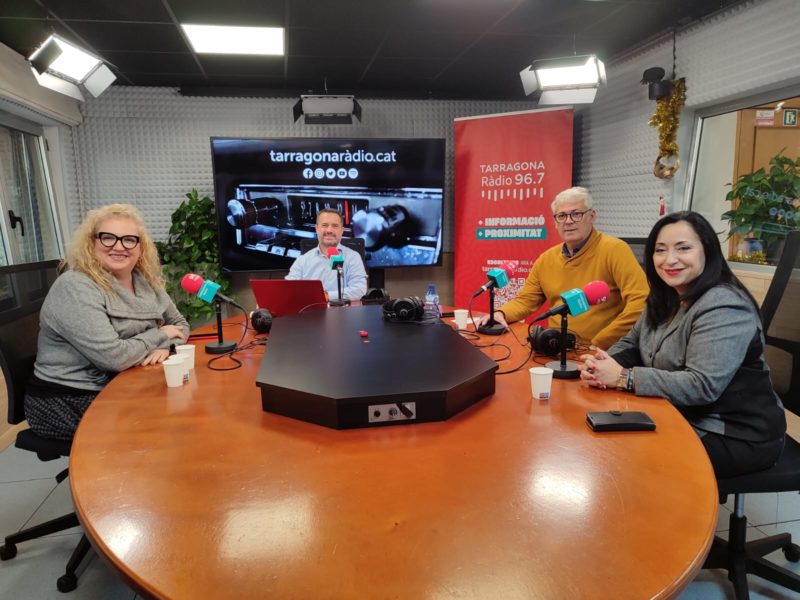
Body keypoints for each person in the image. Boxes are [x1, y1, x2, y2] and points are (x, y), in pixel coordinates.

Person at [580, 211, 786, 479]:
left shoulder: (724, 304)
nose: (670, 260)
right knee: (597, 436)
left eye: (684, 248)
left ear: (707, 251)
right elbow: (633, 343)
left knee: (627, 459)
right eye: (660, 250)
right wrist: (600, 365)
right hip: (683, 414)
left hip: (737, 432)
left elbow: (702, 385)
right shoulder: (666, 295)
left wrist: (623, 378)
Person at [24, 204, 189, 440]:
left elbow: (181, 324)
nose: (119, 247)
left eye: (129, 240)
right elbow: (114, 357)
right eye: (108, 238)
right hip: (67, 399)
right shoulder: (76, 287)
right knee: (165, 427)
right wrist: (160, 335)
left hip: (123, 385)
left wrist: (164, 346)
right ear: (92, 243)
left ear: (140, 247)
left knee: (186, 408)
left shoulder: (145, 281)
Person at [481, 186, 648, 349]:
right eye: (561, 215)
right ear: (555, 222)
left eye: (576, 214)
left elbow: (641, 302)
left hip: (601, 352)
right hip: (555, 346)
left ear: (592, 216)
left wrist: (600, 343)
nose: (568, 221)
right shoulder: (546, 259)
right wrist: (501, 313)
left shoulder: (615, 250)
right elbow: (526, 301)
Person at [286, 208, 368, 301]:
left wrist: (326, 296)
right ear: (316, 229)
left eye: (335, 226)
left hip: (343, 313)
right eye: (325, 225)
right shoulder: (302, 260)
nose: (329, 230)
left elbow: (359, 290)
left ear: (342, 230)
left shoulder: (353, 257)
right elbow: (289, 289)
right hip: (311, 313)